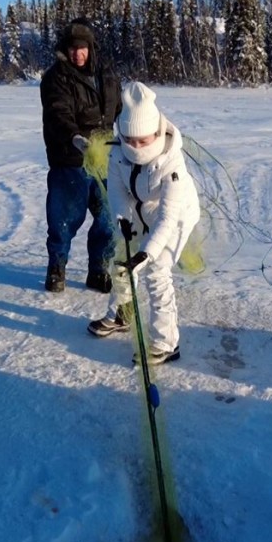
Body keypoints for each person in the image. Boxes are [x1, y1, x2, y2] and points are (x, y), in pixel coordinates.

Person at [87, 82, 200, 365]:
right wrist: (122, 220)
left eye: (144, 141)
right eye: (130, 140)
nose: (136, 147)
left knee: (156, 271)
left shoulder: (172, 163)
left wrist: (146, 253)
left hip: (175, 214)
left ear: (157, 132)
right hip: (138, 209)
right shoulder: (117, 153)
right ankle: (122, 313)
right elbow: (117, 191)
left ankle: (165, 343)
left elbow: (168, 218)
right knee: (122, 260)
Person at [39, 18, 122, 293]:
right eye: (73, 48)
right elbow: (57, 112)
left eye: (82, 48)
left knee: (108, 221)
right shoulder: (56, 77)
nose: (78, 53)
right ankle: (57, 268)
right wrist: (75, 137)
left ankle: (98, 269)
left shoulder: (107, 75)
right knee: (63, 220)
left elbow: (121, 108)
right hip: (70, 160)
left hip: (106, 160)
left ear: (91, 47)